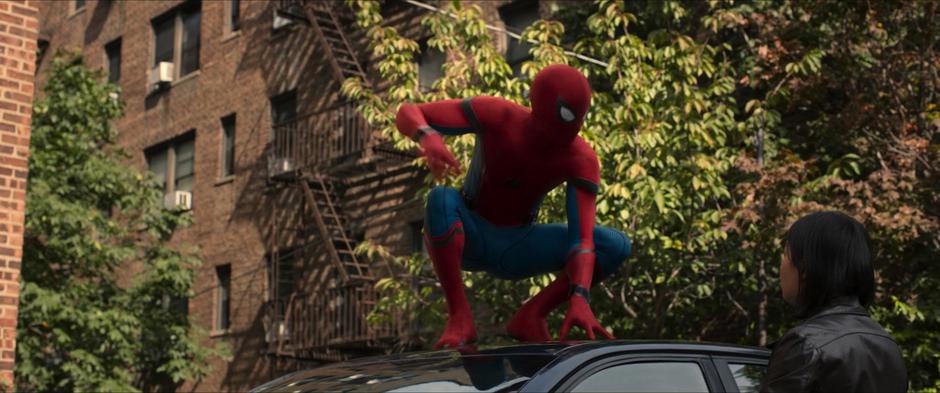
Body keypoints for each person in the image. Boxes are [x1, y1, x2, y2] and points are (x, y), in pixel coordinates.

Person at [395, 64, 631, 348]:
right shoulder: (499, 115)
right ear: (539, 107)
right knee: (440, 198)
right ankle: (459, 316)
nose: (559, 138)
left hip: (517, 245)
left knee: (615, 245)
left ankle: (533, 314)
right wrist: (426, 135)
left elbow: (582, 240)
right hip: (471, 233)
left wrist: (579, 295)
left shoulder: (580, 158)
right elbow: (408, 111)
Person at [760, 211, 907, 392]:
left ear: (805, 268)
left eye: (785, 254)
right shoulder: (886, 344)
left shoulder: (806, 344)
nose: (781, 265)